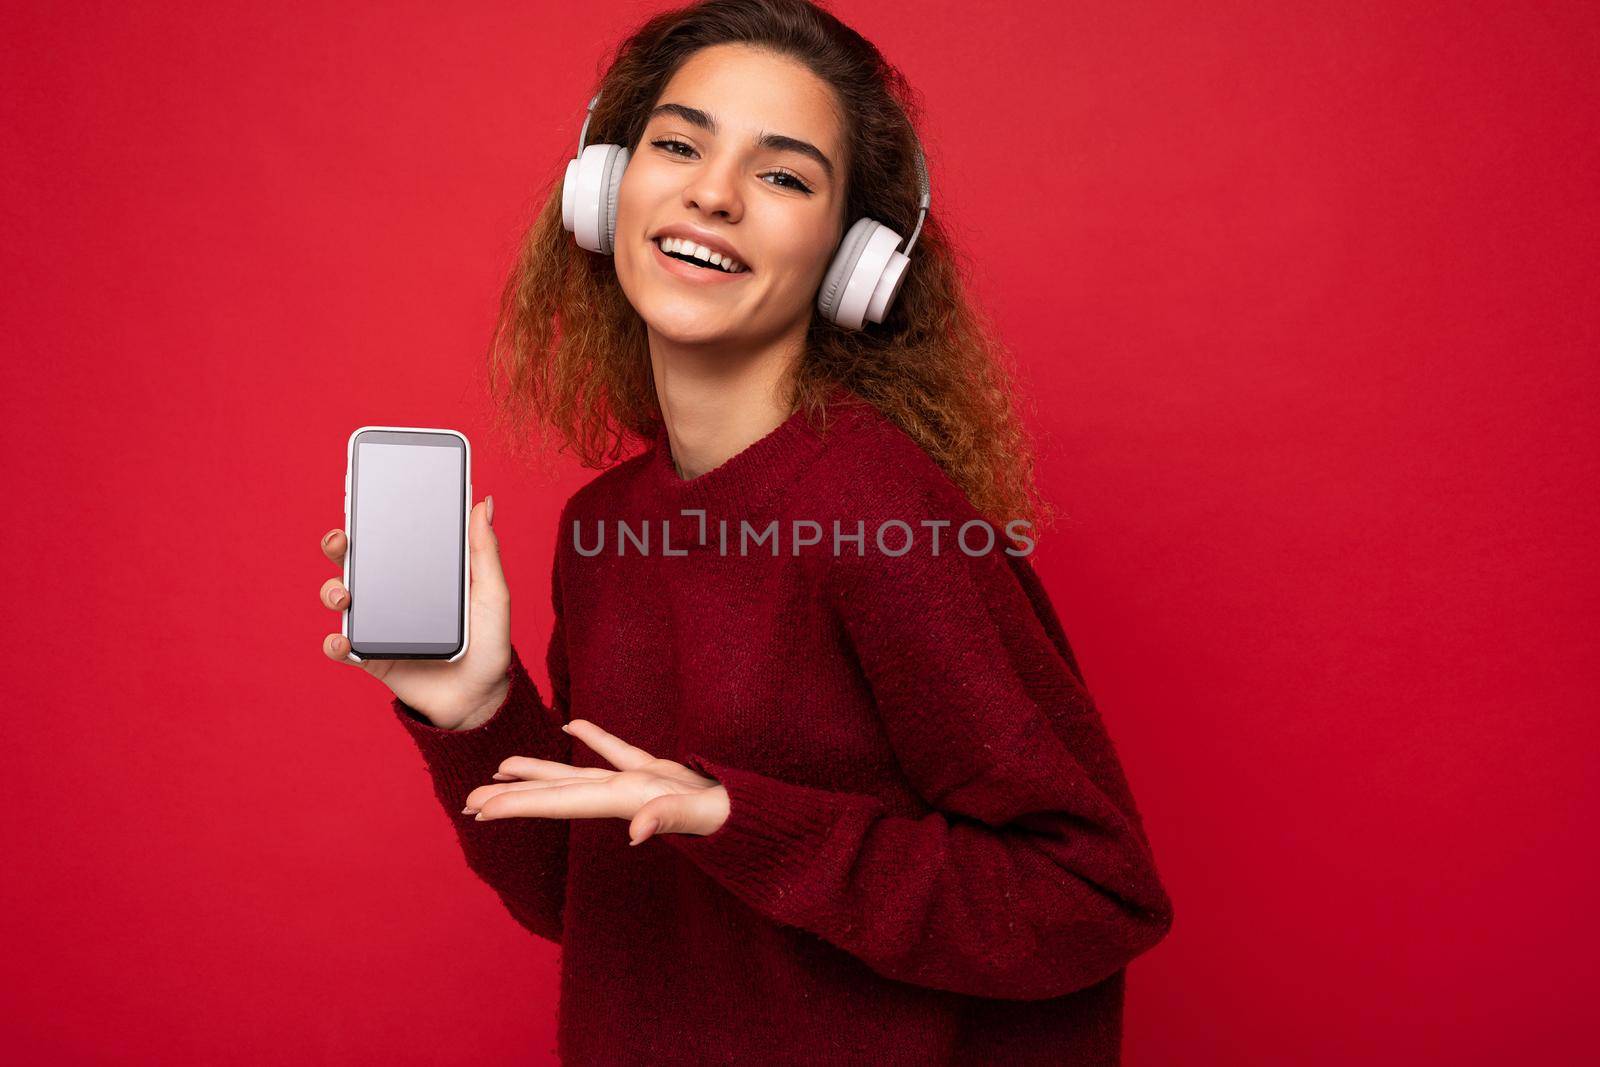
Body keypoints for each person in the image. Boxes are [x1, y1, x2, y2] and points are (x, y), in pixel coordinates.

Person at [318, 1, 1173, 1062]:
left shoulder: (878, 516)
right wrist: (475, 708)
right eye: (677, 145)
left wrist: (737, 818)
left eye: (783, 175)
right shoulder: (607, 530)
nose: (711, 194)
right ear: (604, 190)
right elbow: (593, 909)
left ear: (854, 258)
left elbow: (1090, 894)